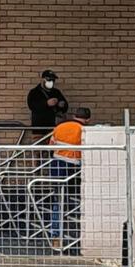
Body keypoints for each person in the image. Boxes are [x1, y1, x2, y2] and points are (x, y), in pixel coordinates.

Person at [45, 108, 89, 255]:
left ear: (74, 116)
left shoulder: (59, 127)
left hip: (56, 165)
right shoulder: (83, 130)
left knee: (57, 200)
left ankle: (56, 234)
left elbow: (50, 146)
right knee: (75, 200)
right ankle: (76, 232)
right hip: (74, 169)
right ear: (87, 120)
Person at [26, 70, 68, 134]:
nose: (51, 82)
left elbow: (65, 106)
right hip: (39, 129)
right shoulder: (34, 92)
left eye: (53, 80)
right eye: (49, 80)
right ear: (43, 80)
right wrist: (46, 103)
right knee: (39, 143)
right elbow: (32, 106)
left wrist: (62, 105)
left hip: (54, 129)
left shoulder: (56, 92)